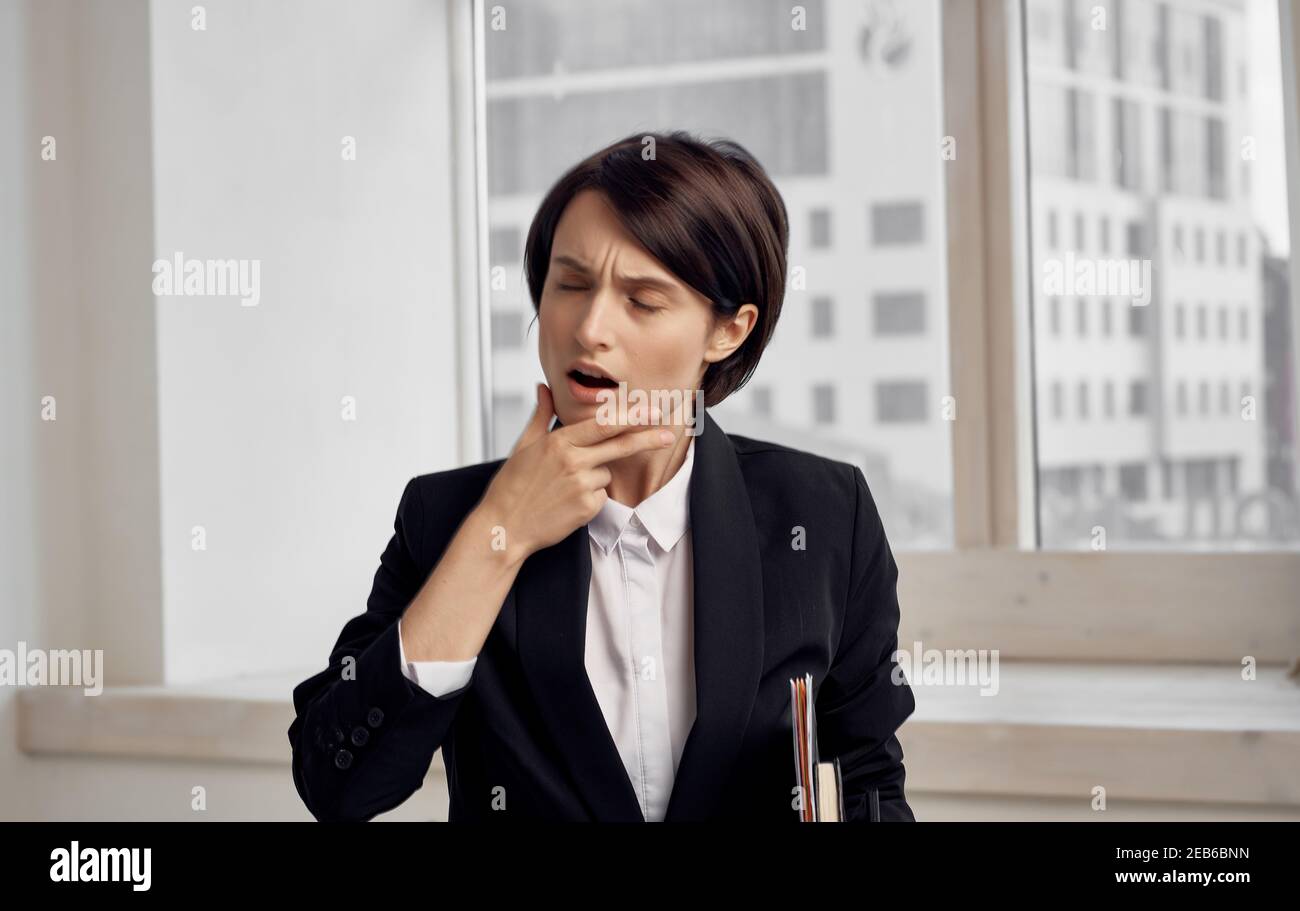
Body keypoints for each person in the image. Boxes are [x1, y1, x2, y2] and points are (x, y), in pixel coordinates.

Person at [287, 130, 917, 822]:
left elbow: (866, 781)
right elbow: (336, 782)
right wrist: (499, 536)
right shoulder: (448, 517)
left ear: (727, 331)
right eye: (571, 284)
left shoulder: (825, 516)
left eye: (642, 301)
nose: (589, 328)